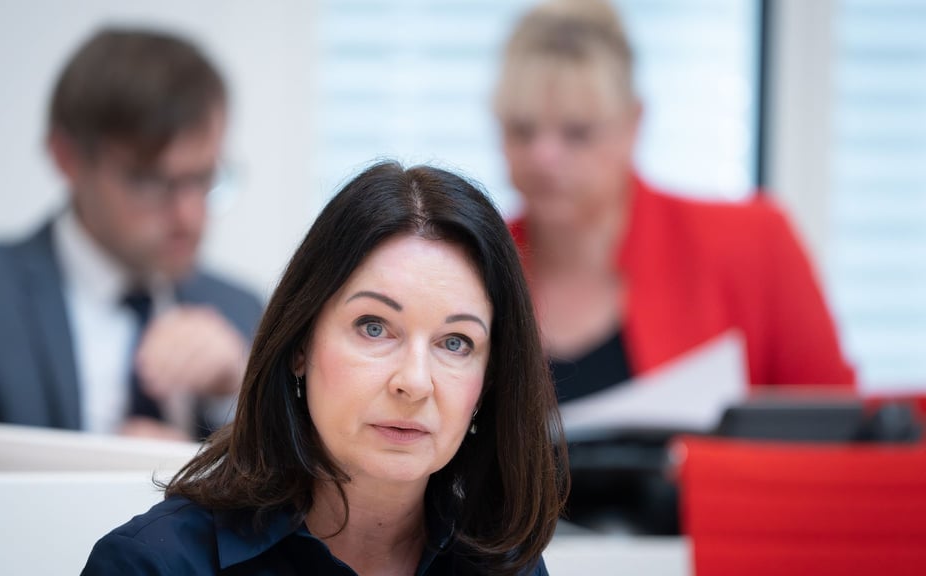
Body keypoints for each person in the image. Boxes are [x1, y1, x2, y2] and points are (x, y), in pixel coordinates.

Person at [80, 161, 569, 575]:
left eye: (456, 342)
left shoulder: (507, 566)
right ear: (299, 345)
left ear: (488, 382)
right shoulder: (153, 564)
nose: (414, 382)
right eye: (374, 327)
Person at [0, 28, 263, 471]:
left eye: (205, 178)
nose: (190, 215)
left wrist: (235, 400)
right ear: (66, 157)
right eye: (151, 182)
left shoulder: (243, 315)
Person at [493, 0, 855, 405]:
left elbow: (837, 441)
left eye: (577, 133)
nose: (543, 157)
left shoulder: (754, 244)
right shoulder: (477, 264)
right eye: (521, 131)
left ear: (634, 124)